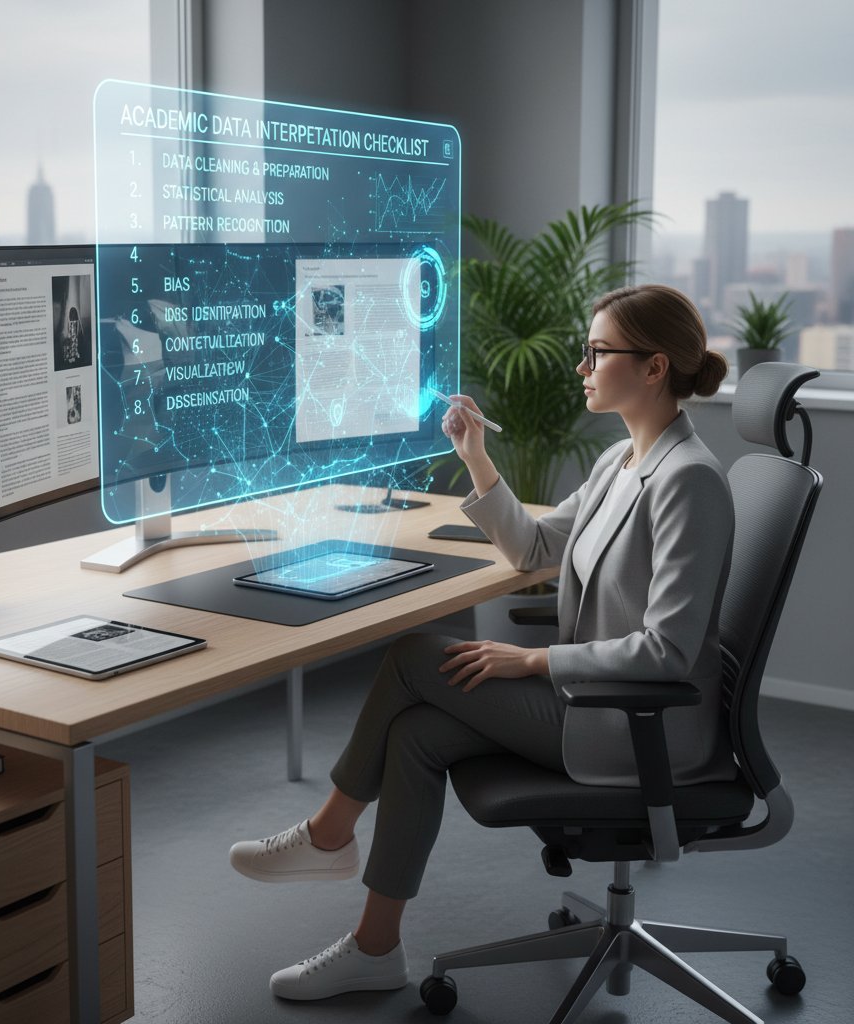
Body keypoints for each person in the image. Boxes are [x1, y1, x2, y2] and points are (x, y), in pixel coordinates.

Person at [229, 284, 737, 1002]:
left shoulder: (688, 481)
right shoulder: (620, 463)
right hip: (589, 699)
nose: (582, 366)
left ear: (654, 368)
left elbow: (667, 653)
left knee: (412, 657)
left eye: (597, 352)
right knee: (415, 735)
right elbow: (531, 549)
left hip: (636, 724)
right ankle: (376, 948)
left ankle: (328, 833)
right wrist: (476, 456)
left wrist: (531, 659)